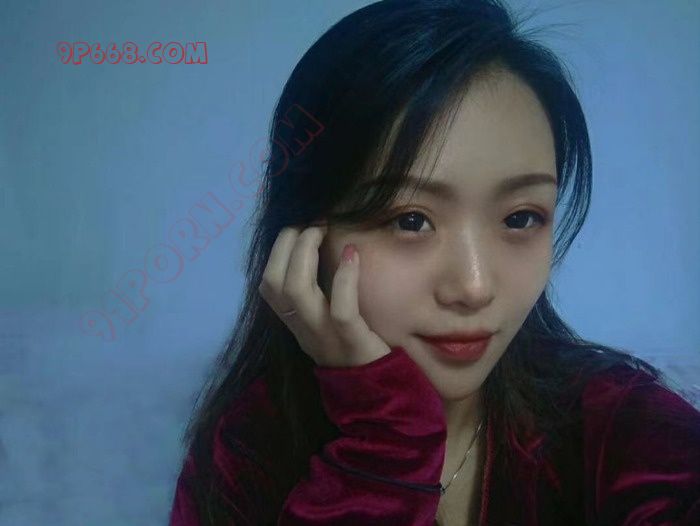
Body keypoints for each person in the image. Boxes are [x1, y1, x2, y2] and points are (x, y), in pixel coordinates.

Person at [168, 1, 700, 524]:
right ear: (304, 239)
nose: (473, 287)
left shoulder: (623, 428)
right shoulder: (249, 449)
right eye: (410, 220)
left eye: (520, 218)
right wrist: (385, 441)